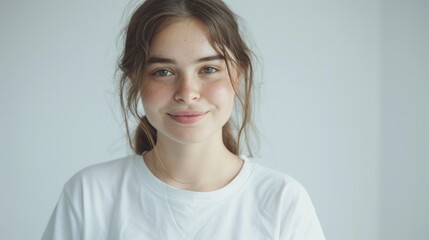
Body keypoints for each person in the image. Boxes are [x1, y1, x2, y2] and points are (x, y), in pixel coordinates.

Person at [42, 0, 325, 239]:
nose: (187, 93)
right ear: (135, 80)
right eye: (163, 72)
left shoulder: (282, 202)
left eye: (209, 69)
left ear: (237, 75)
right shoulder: (89, 196)